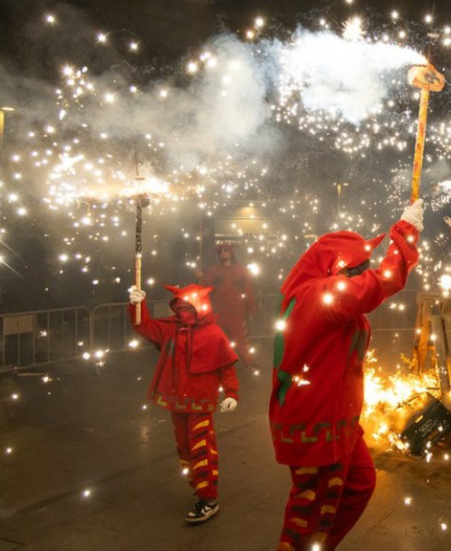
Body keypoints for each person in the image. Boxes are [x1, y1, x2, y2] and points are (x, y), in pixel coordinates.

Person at [270, 200, 423, 551]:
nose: (363, 271)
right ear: (334, 267)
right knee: (308, 514)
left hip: (340, 420)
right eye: (357, 266)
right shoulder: (315, 296)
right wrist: (405, 234)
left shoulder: (327, 295)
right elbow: (380, 284)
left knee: (359, 484)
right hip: (316, 423)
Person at [128, 283, 240, 524]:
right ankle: (199, 489)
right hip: (177, 402)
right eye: (179, 307)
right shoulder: (172, 329)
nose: (183, 312)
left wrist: (231, 393)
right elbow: (143, 326)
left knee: (201, 449)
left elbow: (226, 366)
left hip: (200, 403)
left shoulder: (213, 334)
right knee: (185, 449)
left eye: (187, 307)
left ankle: (208, 498)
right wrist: (137, 304)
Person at [198, 243, 256, 362]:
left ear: (230, 252)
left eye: (225, 250)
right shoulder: (214, 271)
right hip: (220, 309)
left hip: (236, 310)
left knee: (241, 338)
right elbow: (205, 285)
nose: (223, 253)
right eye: (220, 251)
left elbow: (247, 290)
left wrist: (250, 307)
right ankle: (215, 363)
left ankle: (248, 361)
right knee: (217, 338)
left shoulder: (241, 270)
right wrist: (201, 277)